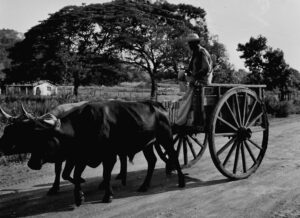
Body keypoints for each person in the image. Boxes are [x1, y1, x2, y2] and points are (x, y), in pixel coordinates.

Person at [175, 33, 213, 126]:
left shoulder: (201, 52)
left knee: (187, 99)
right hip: (196, 81)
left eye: (191, 43)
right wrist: (185, 70)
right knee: (181, 76)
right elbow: (191, 68)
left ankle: (185, 120)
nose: (189, 45)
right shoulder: (195, 53)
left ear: (196, 43)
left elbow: (206, 69)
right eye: (189, 44)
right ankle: (183, 119)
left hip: (203, 81)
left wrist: (195, 76)